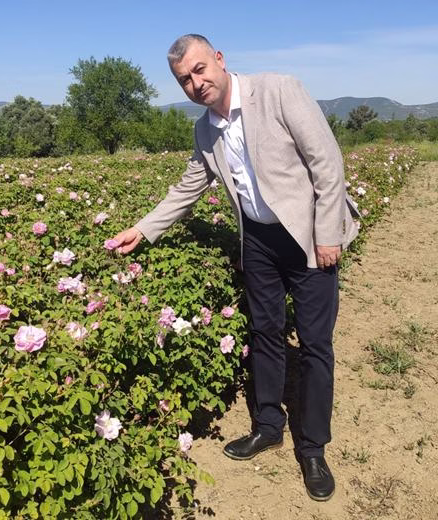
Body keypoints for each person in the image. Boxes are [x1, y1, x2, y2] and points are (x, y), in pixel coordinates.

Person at [111, 34, 359, 502]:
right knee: (265, 332)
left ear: (220, 60)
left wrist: (328, 233)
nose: (195, 82)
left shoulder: (279, 90)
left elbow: (327, 163)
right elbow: (188, 188)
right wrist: (143, 230)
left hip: (308, 234)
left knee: (314, 344)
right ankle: (268, 426)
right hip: (259, 241)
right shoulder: (205, 130)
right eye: (185, 79)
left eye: (200, 69)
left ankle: (313, 449)